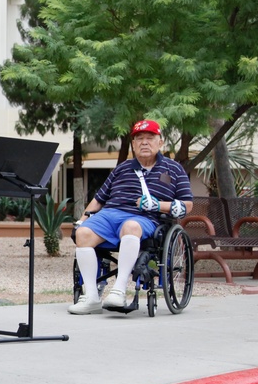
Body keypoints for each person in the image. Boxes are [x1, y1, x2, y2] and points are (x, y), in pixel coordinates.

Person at [68, 119, 194, 315]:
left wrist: (158, 205)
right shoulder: (122, 168)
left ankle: (118, 291)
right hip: (111, 213)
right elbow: (99, 199)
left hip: (145, 219)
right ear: (133, 144)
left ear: (160, 142)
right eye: (139, 139)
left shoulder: (174, 169)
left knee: (131, 226)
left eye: (150, 138)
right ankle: (91, 296)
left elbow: (187, 205)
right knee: (83, 234)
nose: (144, 142)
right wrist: (81, 221)